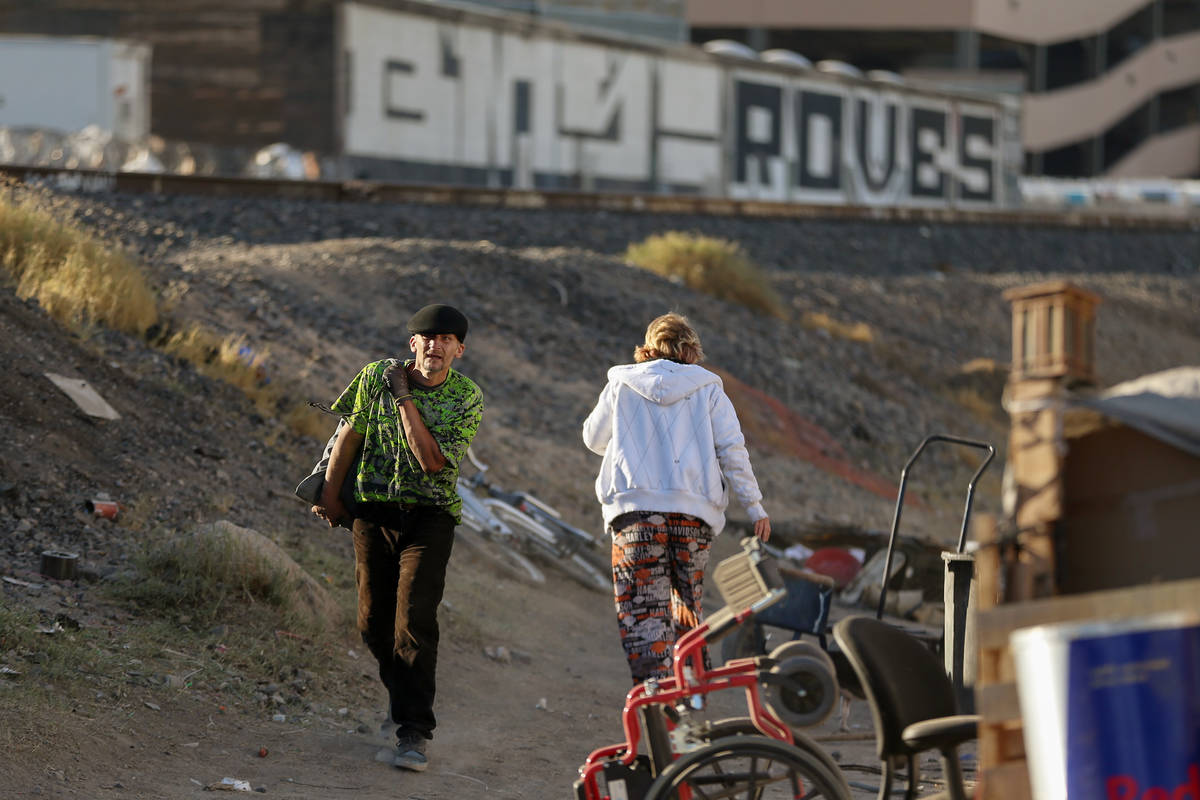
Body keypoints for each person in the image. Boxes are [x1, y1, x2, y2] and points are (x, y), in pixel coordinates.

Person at [312, 303, 482, 772]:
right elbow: (349, 432)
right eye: (427, 338)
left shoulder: (466, 397)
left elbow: (430, 460)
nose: (435, 345)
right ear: (413, 344)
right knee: (372, 622)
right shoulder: (373, 377)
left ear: (459, 350)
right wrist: (329, 494)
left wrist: (404, 397)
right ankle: (401, 696)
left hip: (430, 518)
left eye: (446, 339)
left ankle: (413, 732)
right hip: (374, 511)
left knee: (415, 620)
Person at [582, 312, 771, 684]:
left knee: (642, 608)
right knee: (687, 604)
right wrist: (755, 507)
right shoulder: (709, 389)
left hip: (635, 515)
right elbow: (732, 450)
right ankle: (690, 690)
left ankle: (655, 696)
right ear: (691, 350)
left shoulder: (621, 384)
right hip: (693, 517)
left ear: (647, 348)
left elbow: (593, 439)